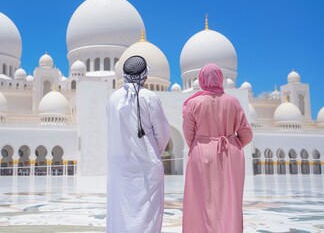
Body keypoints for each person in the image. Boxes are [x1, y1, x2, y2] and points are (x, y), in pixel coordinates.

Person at [182, 63, 253, 233]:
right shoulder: (233, 102)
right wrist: (233, 144)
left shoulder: (193, 104)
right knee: (229, 199)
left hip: (202, 153)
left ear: (201, 79)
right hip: (230, 154)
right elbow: (247, 134)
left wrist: (202, 144)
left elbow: (188, 135)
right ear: (220, 78)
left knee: (202, 200)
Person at [106, 55, 170, 233]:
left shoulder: (113, 99)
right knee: (147, 216)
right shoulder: (149, 97)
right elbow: (163, 134)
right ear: (145, 76)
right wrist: (152, 152)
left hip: (119, 170)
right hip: (146, 169)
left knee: (121, 214)